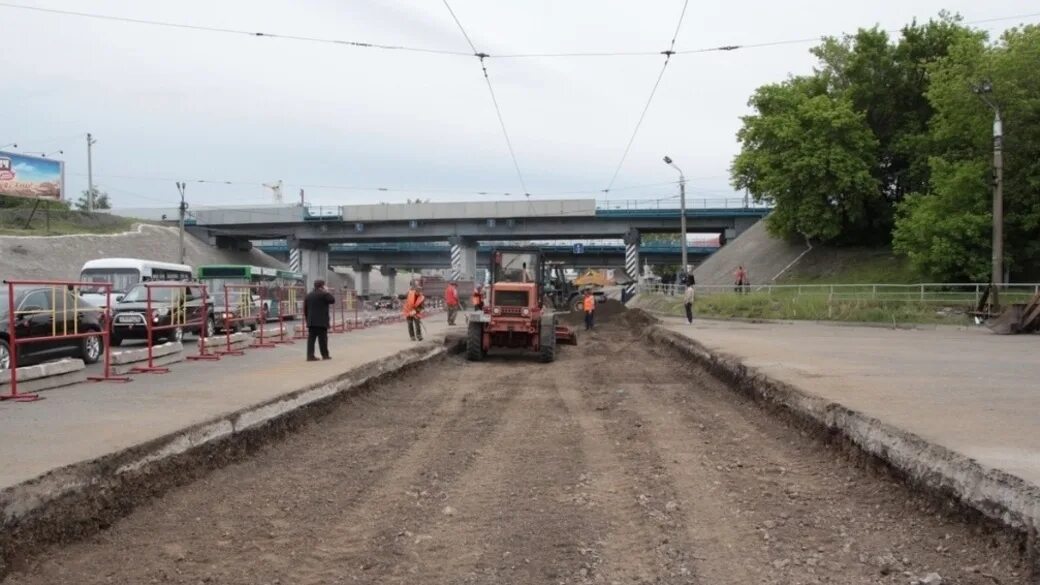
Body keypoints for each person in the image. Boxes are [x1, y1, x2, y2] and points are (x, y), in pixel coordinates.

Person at [303, 279, 335, 362]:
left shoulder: (308, 295)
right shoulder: (324, 294)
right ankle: (325, 355)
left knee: (311, 340)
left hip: (311, 322)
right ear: (322, 286)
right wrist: (327, 291)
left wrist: (308, 320)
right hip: (321, 322)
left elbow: (305, 310)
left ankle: (310, 356)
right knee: (323, 340)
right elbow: (332, 300)